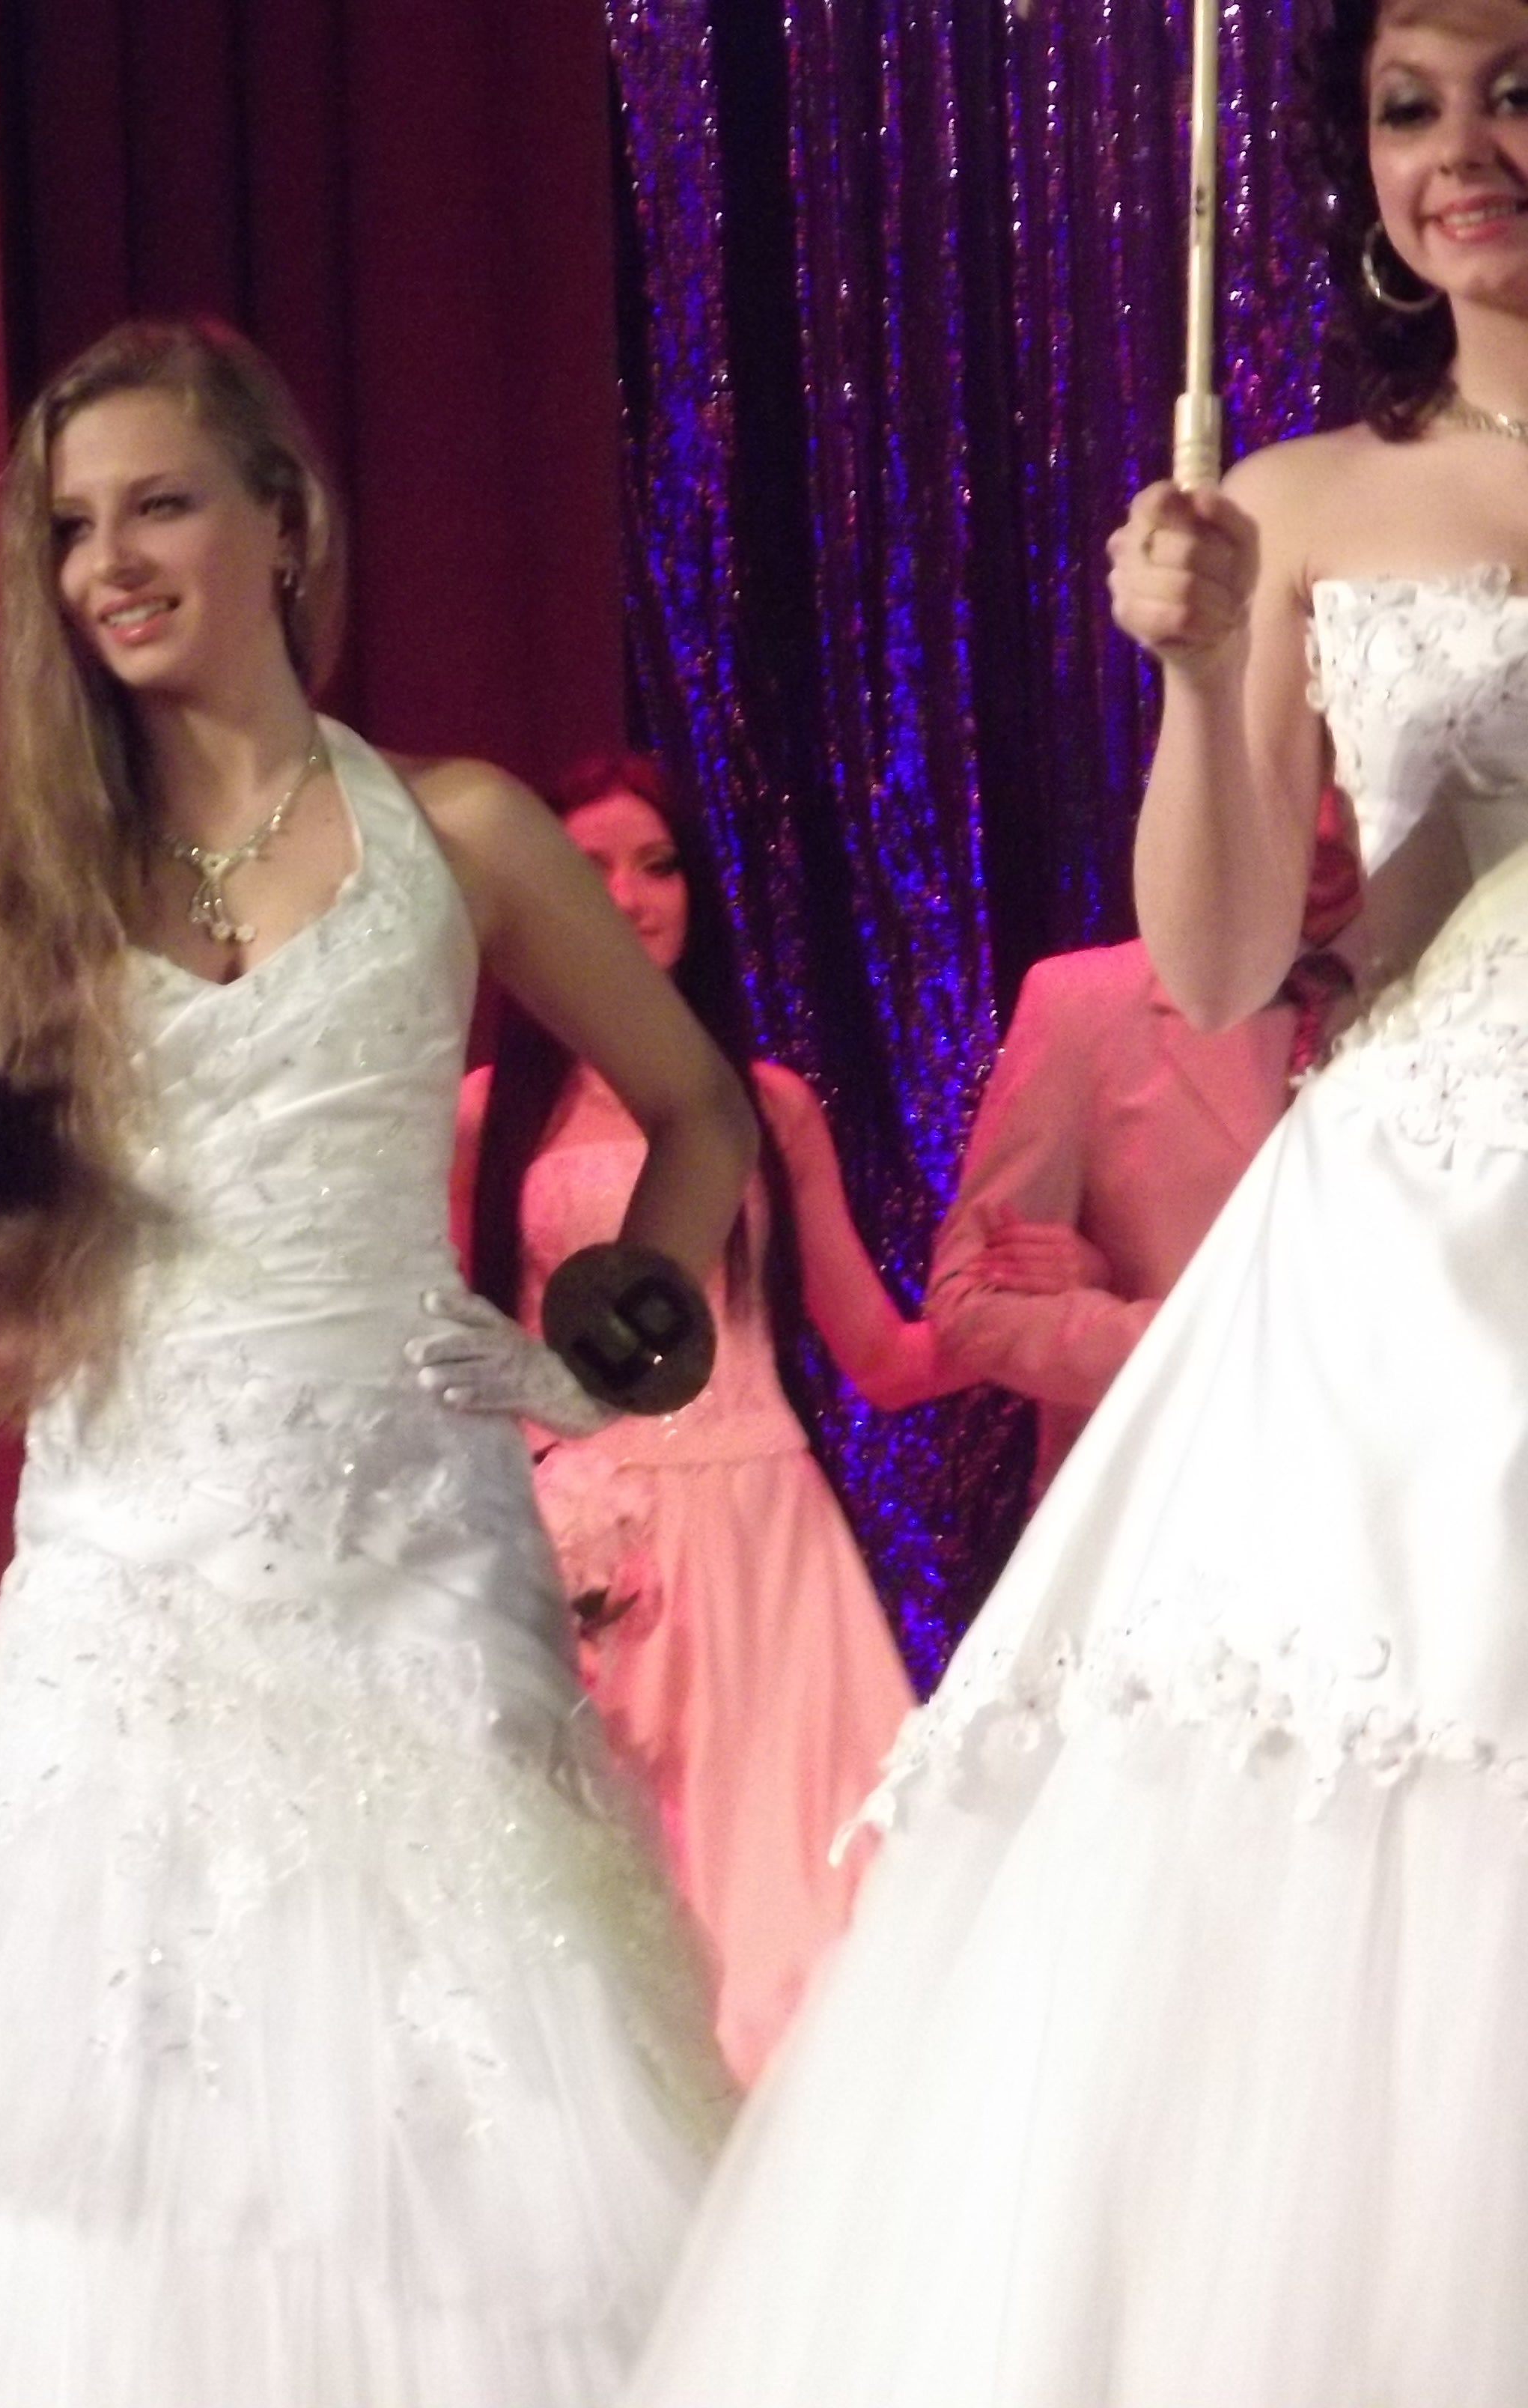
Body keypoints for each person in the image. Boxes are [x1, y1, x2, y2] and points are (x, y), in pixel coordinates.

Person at [622, 3, 1528, 2398]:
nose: (1462, 149)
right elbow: (1219, 964)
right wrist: (1203, 672)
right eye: (1410, 107)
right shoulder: (1301, 500)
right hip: (1425, 1242)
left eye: (1514, 89)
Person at [0, 318, 757, 2408]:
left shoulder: (463, 831)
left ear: (286, 523)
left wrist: (617, 1343)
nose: (108, 563)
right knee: (105, 2132)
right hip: (124, 1575)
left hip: (420, 1560)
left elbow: (699, 1111)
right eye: (69, 528)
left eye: (159, 506)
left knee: (481, 2115)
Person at [455, 751, 964, 2085]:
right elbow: (461, 1355)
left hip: (763, 1547)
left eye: (656, 864)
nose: (626, 896)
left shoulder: (764, 1106)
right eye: (586, 869)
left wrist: (1021, 1309)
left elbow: (877, 1352)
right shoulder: (482, 1119)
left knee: (801, 1902)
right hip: (584, 1540)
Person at [926, 790, 1365, 1504]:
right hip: (1158, 1512)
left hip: (1397, 1513)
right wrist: (1182, 1344)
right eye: (1299, 772)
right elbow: (968, 1300)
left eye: (1351, 775)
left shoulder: (1465, 1007)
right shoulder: (1088, 1004)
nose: (1324, 827)